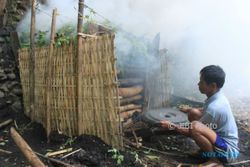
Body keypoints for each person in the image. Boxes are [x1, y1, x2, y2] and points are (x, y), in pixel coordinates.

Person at [160, 65, 239, 165]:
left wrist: (171, 126)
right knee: (193, 113)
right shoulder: (218, 96)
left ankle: (215, 160)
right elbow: (205, 110)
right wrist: (189, 109)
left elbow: (192, 131)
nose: (198, 84)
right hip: (220, 140)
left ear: (213, 86)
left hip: (228, 152)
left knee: (195, 127)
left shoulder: (214, 108)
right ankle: (206, 151)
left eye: (201, 82)